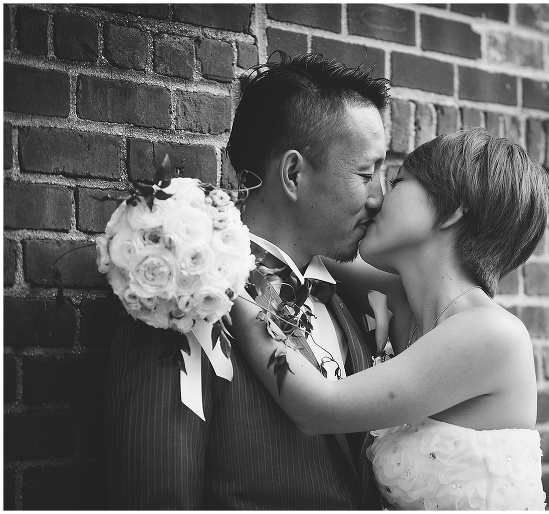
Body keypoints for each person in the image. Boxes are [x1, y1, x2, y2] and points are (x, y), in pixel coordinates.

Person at [103, 52, 389, 509]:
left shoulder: (349, 304)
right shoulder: (182, 294)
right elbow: (160, 493)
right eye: (365, 173)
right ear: (293, 174)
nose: (380, 198)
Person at [230, 127, 549, 510]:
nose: (379, 198)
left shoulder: (492, 333)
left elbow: (320, 408)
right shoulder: (405, 301)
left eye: (399, 181)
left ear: (453, 209)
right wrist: (208, 221)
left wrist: (223, 284)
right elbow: (292, 236)